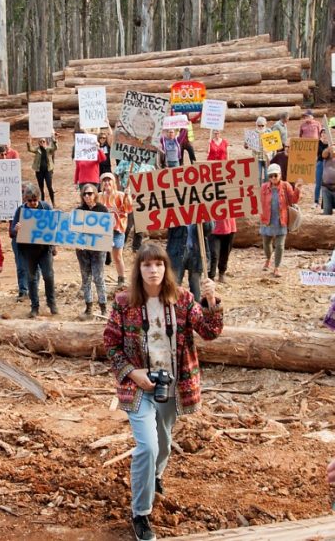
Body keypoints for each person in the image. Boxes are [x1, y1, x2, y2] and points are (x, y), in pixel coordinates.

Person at [104, 243, 223, 541]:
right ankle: (140, 513)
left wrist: (212, 301)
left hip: (172, 384)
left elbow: (210, 332)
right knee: (148, 446)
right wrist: (133, 373)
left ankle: (155, 476)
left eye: (158, 264)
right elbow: (111, 344)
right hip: (138, 385)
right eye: (147, 265)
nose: (153, 270)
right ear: (139, 269)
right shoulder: (123, 302)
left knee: (164, 445)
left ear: (166, 268)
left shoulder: (183, 299)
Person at [10, 183, 57, 318]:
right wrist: (16, 229)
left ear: (39, 198)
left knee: (48, 275)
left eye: (35, 200)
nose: (32, 203)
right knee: (31, 278)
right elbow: (12, 232)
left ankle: (51, 302)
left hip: (44, 249)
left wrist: (53, 246)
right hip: (29, 251)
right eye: (29, 200)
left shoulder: (46, 207)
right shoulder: (20, 211)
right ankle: (34, 306)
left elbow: (53, 228)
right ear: (25, 200)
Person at [260, 163, 303, 277]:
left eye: (275, 175)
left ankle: (277, 267)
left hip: (281, 220)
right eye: (271, 176)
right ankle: (268, 259)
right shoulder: (264, 187)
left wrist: (297, 189)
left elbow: (293, 200)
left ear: (280, 175)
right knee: (266, 243)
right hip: (267, 220)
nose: (273, 178)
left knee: (279, 245)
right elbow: (257, 200)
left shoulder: (286, 186)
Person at [76, 184, 108, 319]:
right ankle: (88, 308)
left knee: (99, 279)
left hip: (98, 251)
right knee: (86, 279)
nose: (87, 196)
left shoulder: (102, 210)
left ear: (95, 194)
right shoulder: (79, 211)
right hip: (83, 252)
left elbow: (107, 231)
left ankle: (103, 308)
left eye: (90, 193)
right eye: (85, 194)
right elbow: (74, 231)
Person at [165, 222, 213, 302]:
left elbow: (209, 230)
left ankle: (196, 310)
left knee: (196, 285)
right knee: (174, 284)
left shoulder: (203, 210)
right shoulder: (175, 210)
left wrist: (203, 219)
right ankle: (173, 309)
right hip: (176, 252)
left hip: (197, 252)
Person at [100, 173, 133, 287]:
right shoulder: (99, 197)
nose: (107, 183)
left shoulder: (120, 195)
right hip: (103, 231)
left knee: (117, 256)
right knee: (100, 256)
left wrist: (128, 197)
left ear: (114, 183)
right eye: (105, 181)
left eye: (109, 181)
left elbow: (128, 209)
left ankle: (121, 279)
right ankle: (99, 279)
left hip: (117, 230)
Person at [26, 134, 57, 206]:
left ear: (46, 142)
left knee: (49, 186)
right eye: (40, 141)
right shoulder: (37, 150)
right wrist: (29, 142)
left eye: (43, 141)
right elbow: (30, 149)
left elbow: (55, 148)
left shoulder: (49, 149)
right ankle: (42, 203)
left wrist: (54, 140)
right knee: (41, 188)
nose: (42, 143)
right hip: (39, 171)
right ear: (39, 143)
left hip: (48, 171)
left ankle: (53, 202)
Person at [208, 216, 236, 284]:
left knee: (226, 252)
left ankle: (222, 273)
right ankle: (211, 277)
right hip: (213, 228)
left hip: (230, 226)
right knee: (213, 254)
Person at [246, 116, 271, 183]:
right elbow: (246, 146)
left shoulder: (269, 132)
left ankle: (266, 190)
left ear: (265, 125)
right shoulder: (252, 134)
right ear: (256, 125)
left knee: (267, 176)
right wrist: (246, 145)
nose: (260, 127)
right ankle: (259, 190)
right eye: (259, 125)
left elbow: (274, 146)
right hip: (257, 158)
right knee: (258, 176)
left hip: (266, 158)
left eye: (262, 125)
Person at [316, 124, 332, 209]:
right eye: (322, 132)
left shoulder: (331, 142)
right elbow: (321, 154)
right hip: (321, 163)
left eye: (325, 132)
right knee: (319, 183)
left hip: (330, 164)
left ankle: (326, 203)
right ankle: (316, 201)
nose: (324, 134)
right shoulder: (318, 143)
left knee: (328, 183)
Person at [321, 136, 335, 215]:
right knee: (326, 213)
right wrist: (329, 149)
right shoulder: (329, 151)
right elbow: (323, 155)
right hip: (326, 188)